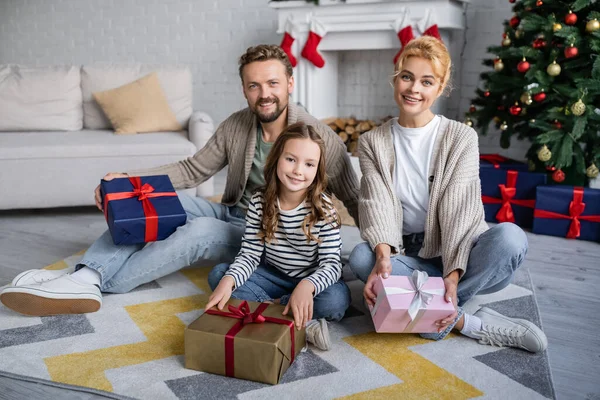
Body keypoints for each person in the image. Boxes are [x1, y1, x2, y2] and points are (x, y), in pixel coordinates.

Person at [1, 45, 360, 318]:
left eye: (272, 83)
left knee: (200, 232)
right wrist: (130, 182)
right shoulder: (236, 125)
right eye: (254, 85)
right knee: (146, 202)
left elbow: (353, 196)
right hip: (236, 213)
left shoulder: (318, 137)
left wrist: (381, 252)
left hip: (265, 234)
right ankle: (86, 276)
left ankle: (100, 284)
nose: (264, 93)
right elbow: (193, 170)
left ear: (289, 84)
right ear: (244, 89)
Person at [349, 36, 548, 353]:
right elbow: (376, 202)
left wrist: (454, 278)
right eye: (407, 77)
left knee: (511, 238)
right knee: (362, 257)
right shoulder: (373, 141)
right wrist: (384, 257)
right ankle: (467, 322)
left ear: (439, 88)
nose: (414, 89)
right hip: (410, 255)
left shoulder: (461, 137)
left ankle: (439, 308)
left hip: (464, 254)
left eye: (426, 81)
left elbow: (459, 209)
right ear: (396, 78)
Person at [206, 122, 349, 351]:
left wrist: (307, 285)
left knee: (336, 301)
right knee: (219, 276)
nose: (298, 171)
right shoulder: (260, 201)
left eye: (309, 164)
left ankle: (274, 309)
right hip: (272, 275)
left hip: (311, 279)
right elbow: (250, 255)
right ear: (276, 158)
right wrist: (229, 282)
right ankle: (297, 318)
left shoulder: (324, 208)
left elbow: (332, 264)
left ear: (317, 170)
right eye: (291, 159)